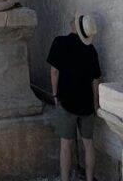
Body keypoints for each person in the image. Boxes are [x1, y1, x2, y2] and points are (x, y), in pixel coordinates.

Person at [47, 12, 101, 181]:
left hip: (66, 101)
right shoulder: (91, 50)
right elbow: (96, 80)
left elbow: (54, 71)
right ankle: (90, 179)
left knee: (65, 144)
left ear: (74, 26)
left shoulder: (60, 42)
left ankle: (65, 179)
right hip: (86, 105)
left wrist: (55, 94)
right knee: (89, 144)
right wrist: (95, 103)